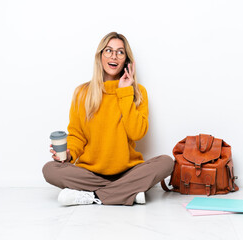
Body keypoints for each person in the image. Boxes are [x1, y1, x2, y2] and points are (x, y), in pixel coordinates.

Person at [42, 32, 174, 206]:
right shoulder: (82, 93)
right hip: (91, 173)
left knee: (166, 162)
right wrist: (68, 154)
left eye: (120, 52)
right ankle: (126, 193)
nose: (114, 56)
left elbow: (137, 133)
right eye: (108, 51)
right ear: (100, 56)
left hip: (128, 172)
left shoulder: (137, 92)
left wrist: (125, 92)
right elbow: (77, 135)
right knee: (50, 170)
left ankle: (94, 196)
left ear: (126, 59)